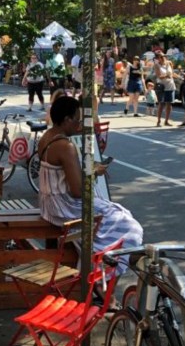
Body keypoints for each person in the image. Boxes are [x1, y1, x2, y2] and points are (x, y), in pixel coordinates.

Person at [36, 96, 143, 269]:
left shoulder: (46, 137)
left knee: (120, 214)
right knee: (129, 226)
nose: (78, 125)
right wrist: (93, 172)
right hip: (63, 206)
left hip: (48, 203)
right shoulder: (65, 146)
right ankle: (101, 271)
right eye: (76, 120)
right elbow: (78, 190)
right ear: (66, 120)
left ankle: (101, 266)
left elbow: (63, 173)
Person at [153, 51, 177, 126]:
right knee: (161, 104)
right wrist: (167, 75)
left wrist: (179, 76)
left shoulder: (169, 63)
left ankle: (166, 120)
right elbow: (159, 76)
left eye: (164, 56)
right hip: (162, 86)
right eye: (161, 57)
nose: (163, 58)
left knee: (169, 104)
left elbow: (172, 73)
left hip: (170, 85)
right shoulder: (157, 65)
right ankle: (159, 121)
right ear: (158, 58)